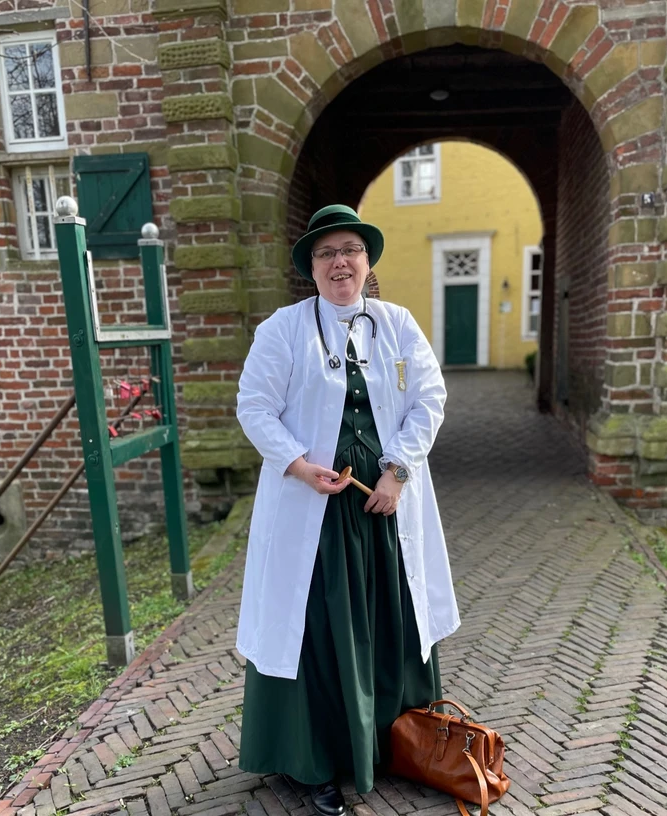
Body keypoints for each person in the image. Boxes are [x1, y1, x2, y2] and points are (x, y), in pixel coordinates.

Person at [235, 204, 461, 816]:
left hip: (383, 511)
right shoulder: (281, 331)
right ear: (312, 267)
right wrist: (298, 465)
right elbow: (254, 407)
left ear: (367, 260)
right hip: (315, 512)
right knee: (315, 633)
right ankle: (316, 762)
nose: (340, 262)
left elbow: (429, 398)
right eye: (326, 253)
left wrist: (398, 471)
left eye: (350, 250)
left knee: (390, 620)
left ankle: (395, 746)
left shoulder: (397, 323)